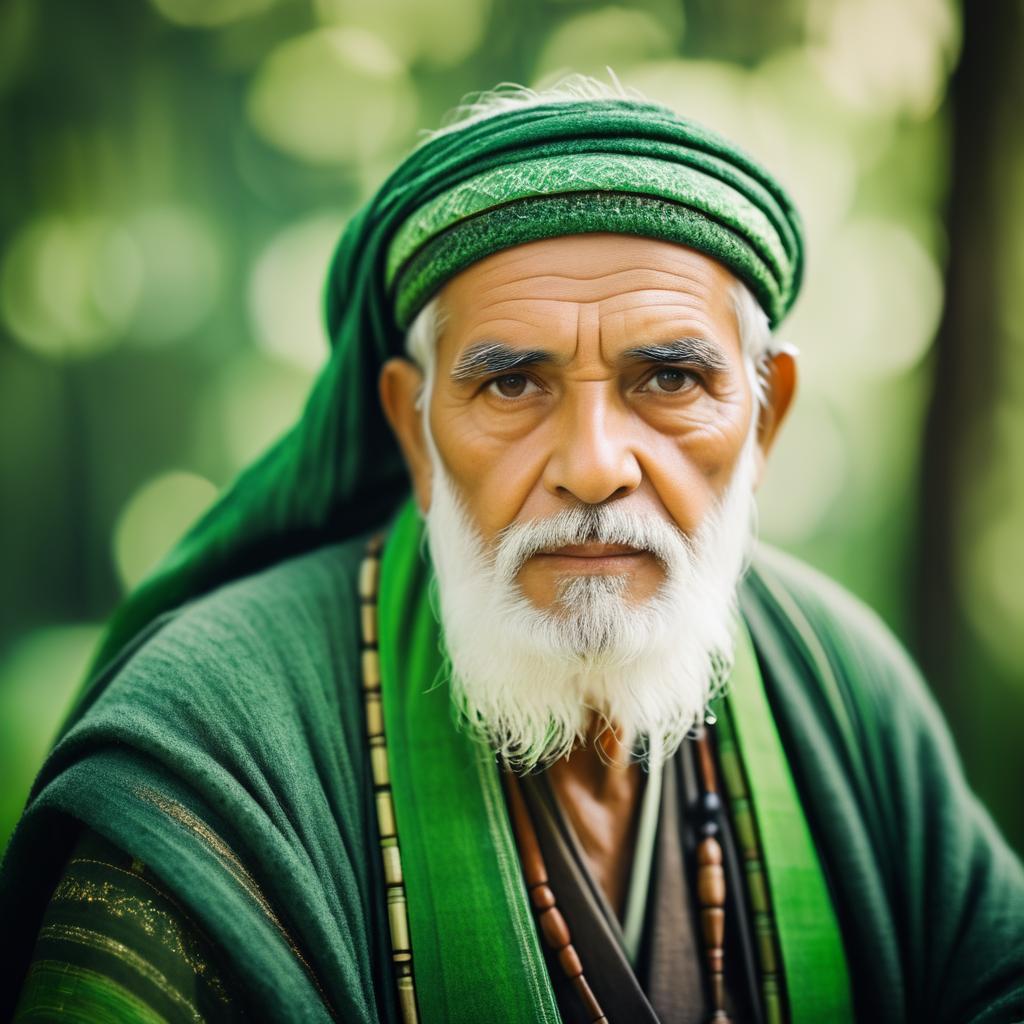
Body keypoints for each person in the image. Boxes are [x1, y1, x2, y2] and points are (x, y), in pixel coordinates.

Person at [2, 77, 1022, 1024]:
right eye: (510, 384)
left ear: (762, 423)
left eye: (667, 379)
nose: (591, 466)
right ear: (411, 428)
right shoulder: (216, 739)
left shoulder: (842, 686)